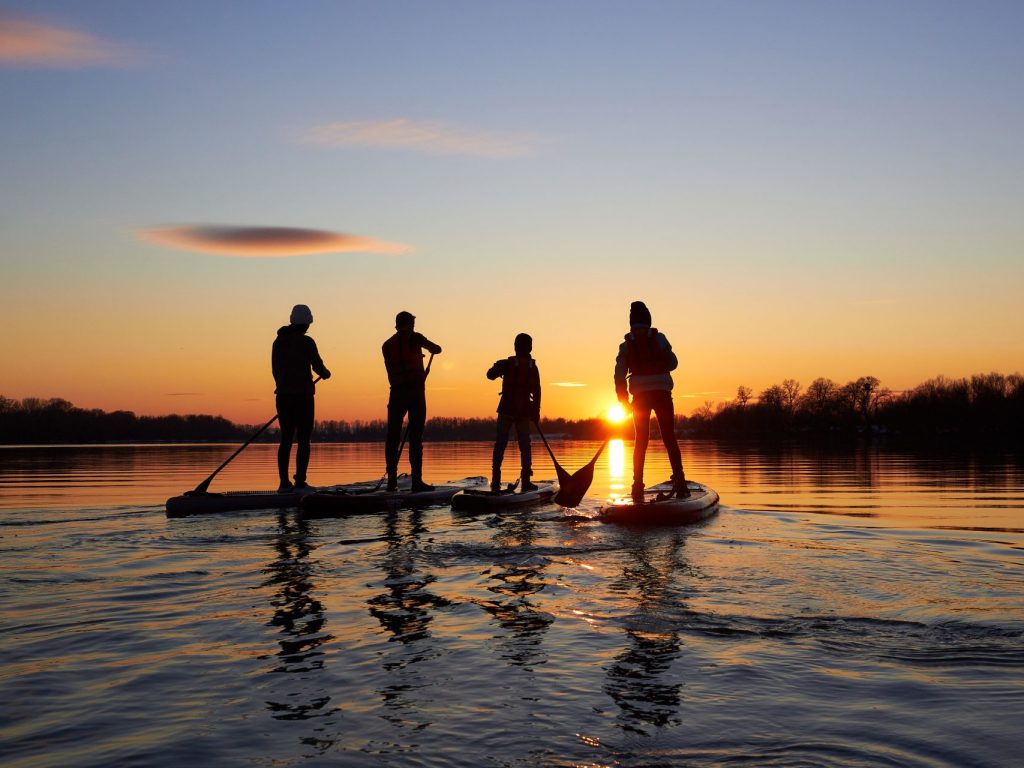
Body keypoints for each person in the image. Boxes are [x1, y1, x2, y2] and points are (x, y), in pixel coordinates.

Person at [614, 301, 689, 503]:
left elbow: (619, 375)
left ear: (631, 324)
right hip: (662, 393)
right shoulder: (660, 338)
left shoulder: (625, 345)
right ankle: (680, 483)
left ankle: (637, 486)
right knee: (669, 437)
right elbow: (673, 363)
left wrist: (623, 400)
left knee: (641, 441)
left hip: (640, 397)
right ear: (648, 322)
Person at [272, 304, 331, 493]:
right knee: (304, 439)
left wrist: (283, 386)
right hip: (303, 397)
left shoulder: (278, 342)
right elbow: (318, 367)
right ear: (306, 323)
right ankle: (299, 483)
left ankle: (283, 483)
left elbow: (275, 369)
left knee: (286, 439)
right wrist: (326, 373)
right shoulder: (307, 342)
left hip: (282, 396)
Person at [382, 311, 442, 492]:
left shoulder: (386, 345)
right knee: (416, 437)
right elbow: (437, 349)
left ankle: (392, 481)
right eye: (413, 323)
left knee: (392, 437)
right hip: (415, 393)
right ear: (409, 324)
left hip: (396, 393)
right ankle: (417, 481)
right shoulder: (416, 338)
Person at [487, 333, 541, 493]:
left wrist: (498, 368)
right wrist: (536, 410)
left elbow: (489, 375)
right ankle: (526, 481)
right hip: (523, 411)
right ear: (529, 347)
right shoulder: (533, 367)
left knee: (500, 444)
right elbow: (538, 391)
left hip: (507, 409)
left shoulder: (506, 363)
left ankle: (495, 481)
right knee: (525, 445)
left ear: (515, 347)